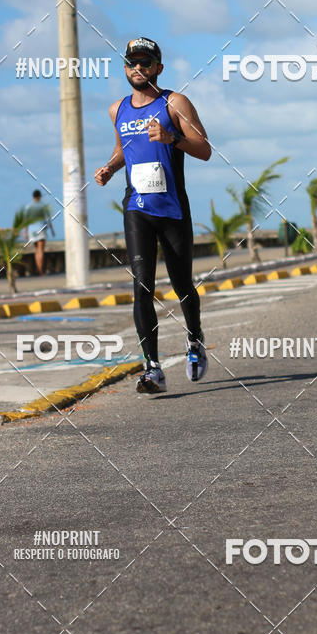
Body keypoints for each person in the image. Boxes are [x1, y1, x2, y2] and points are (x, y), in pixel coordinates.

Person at [94, 36, 211, 394]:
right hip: (137, 208)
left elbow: (204, 149)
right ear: (125, 68)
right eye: (132, 63)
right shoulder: (118, 110)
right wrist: (111, 169)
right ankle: (153, 369)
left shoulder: (174, 102)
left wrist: (171, 138)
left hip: (172, 208)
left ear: (158, 68)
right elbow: (122, 149)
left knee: (181, 285)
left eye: (146, 63)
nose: (138, 69)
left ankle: (194, 340)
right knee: (142, 285)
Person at [23, 189, 55, 276]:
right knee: (41, 250)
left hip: (31, 230)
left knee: (36, 250)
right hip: (40, 229)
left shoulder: (28, 207)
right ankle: (40, 270)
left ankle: (38, 268)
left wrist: (25, 233)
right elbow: (48, 220)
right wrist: (52, 230)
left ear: (33, 197)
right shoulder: (43, 206)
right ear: (40, 196)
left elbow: (26, 221)